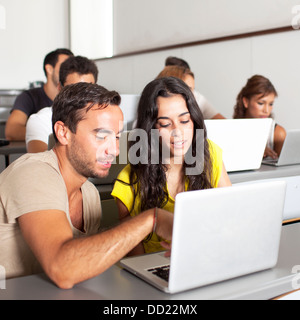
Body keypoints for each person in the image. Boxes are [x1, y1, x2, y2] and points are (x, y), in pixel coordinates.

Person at [0, 82, 173, 288]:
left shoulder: (89, 193)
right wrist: (150, 219)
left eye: (117, 137)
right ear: (63, 133)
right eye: (101, 136)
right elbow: (63, 268)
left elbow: (83, 260)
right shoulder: (33, 172)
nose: (115, 150)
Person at [111, 77, 231, 256]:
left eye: (184, 121)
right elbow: (137, 262)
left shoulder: (210, 154)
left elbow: (231, 218)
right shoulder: (128, 183)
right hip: (156, 270)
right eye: (166, 124)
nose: (178, 132)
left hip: (207, 256)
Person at [26, 55, 98, 153]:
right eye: (73, 90)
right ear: (60, 88)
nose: (82, 97)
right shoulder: (40, 120)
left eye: (88, 90)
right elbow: (40, 162)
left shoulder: (103, 118)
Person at [5, 48, 74, 141]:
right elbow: (12, 131)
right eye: (65, 67)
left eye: (73, 68)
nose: (70, 72)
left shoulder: (76, 99)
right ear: (49, 69)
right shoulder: (28, 97)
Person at [233, 75, 286, 158]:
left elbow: (284, 170)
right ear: (246, 102)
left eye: (271, 104)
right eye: (261, 103)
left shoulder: (278, 134)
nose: (266, 110)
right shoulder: (232, 129)